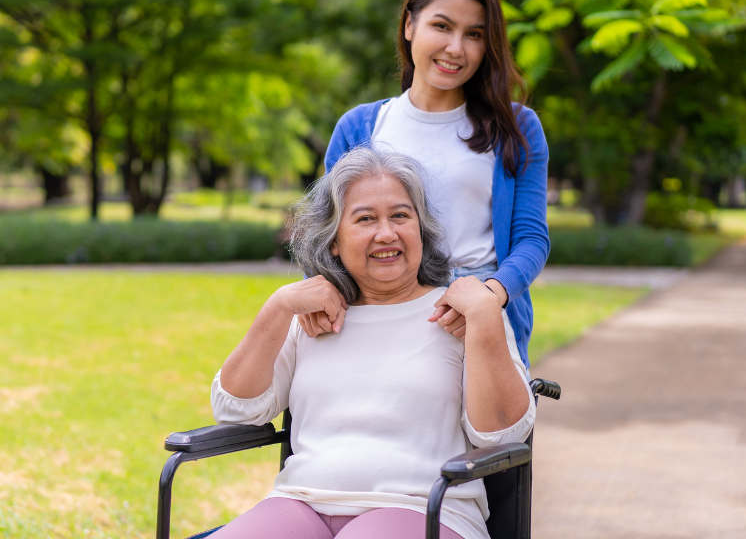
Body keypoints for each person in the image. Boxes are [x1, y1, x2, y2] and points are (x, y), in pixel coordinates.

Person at [210, 149, 535, 539]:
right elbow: (235, 410)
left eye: (400, 215)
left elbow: (502, 436)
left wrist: (484, 315)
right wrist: (278, 307)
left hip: (422, 509)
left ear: (420, 228)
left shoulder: (462, 312)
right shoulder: (311, 317)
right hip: (301, 503)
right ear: (334, 241)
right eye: (365, 219)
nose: (387, 233)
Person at [299, 0, 550, 372]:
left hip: (476, 313)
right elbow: (327, 233)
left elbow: (531, 240)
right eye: (442, 26)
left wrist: (490, 296)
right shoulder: (360, 126)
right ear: (410, 25)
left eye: (474, 34)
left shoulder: (517, 127)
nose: (456, 48)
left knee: (492, 437)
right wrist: (316, 291)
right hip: (377, 307)